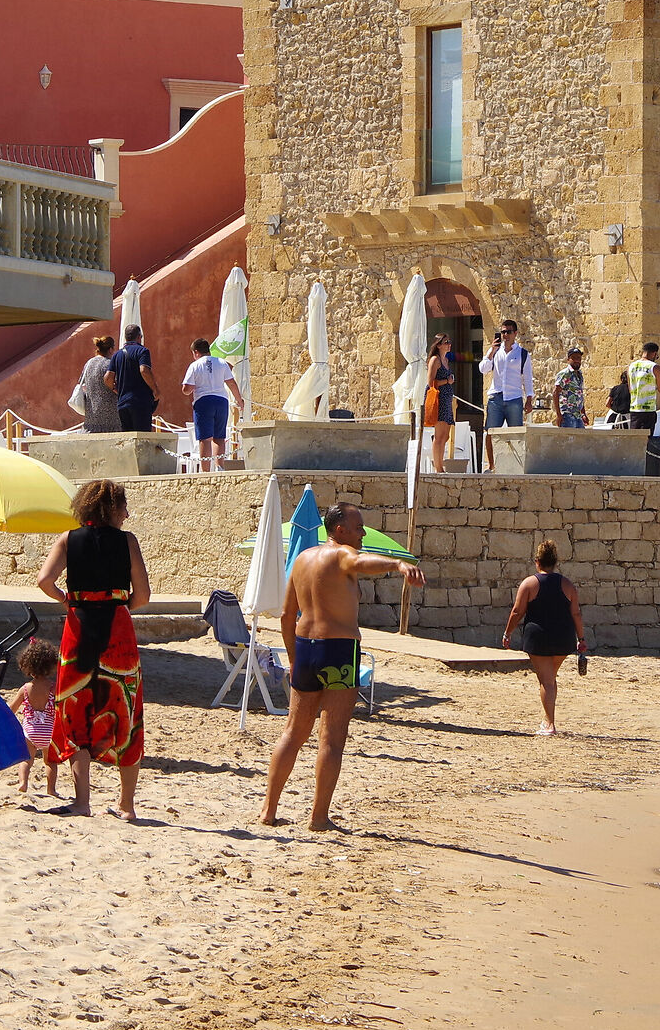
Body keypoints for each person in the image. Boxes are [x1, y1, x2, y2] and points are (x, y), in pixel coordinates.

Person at [260, 501, 425, 831]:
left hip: (305, 649)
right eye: (358, 526)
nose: (362, 533)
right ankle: (319, 818)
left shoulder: (302, 559)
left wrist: (292, 658)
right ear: (340, 530)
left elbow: (286, 615)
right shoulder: (342, 555)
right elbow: (360, 562)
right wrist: (398, 564)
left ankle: (268, 810)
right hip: (338, 651)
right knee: (332, 740)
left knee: (293, 733)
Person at [34, 479, 151, 819]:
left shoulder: (68, 539)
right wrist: (119, 604)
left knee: (76, 711)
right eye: (123, 507)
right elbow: (143, 596)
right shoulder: (127, 542)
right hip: (117, 629)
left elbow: (44, 580)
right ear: (110, 509)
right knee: (127, 711)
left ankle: (82, 802)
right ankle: (126, 805)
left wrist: (68, 599)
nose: (127, 514)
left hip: (79, 628)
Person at [501, 540, 587, 736]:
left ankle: (550, 724)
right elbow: (576, 613)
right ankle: (547, 720)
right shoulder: (567, 585)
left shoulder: (529, 584)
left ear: (537, 561)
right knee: (550, 678)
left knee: (546, 681)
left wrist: (507, 633)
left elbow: (517, 611)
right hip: (563, 638)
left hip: (539, 638)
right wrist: (581, 638)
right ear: (555, 562)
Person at [11, 637, 62, 799]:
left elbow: (11, 709)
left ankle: (23, 783)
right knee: (50, 762)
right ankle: (51, 789)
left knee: (26, 760)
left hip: (30, 731)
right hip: (49, 732)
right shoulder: (54, 688)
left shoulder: (25, 689)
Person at [480, 318, 534, 466]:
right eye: (503, 332)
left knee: (516, 434)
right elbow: (483, 369)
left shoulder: (522, 354)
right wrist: (491, 351)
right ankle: (491, 465)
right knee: (490, 432)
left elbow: (527, 378)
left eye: (509, 332)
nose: (505, 335)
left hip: (514, 398)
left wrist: (529, 399)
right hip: (496, 397)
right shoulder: (495, 351)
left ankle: (515, 466)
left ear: (515, 333)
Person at [182, 337, 242, 470]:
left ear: (196, 352)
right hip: (221, 401)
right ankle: (220, 467)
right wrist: (239, 400)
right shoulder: (221, 362)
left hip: (203, 401)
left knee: (205, 438)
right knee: (219, 436)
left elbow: (186, 389)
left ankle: (205, 471)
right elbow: (231, 383)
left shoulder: (194, 365)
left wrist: (192, 387)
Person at [108, 327, 157, 435]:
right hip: (140, 402)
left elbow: (107, 378)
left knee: (127, 438)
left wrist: (116, 389)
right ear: (139, 337)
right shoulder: (142, 351)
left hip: (122, 403)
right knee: (142, 437)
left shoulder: (117, 355)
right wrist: (155, 389)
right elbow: (144, 370)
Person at [426, 333, 457, 470]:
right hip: (438, 399)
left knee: (445, 436)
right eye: (445, 342)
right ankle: (438, 468)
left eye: (449, 341)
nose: (449, 344)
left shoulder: (446, 360)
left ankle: (440, 465)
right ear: (438, 345)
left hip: (446, 399)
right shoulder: (435, 360)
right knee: (439, 436)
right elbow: (430, 382)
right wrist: (447, 381)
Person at [76, 335, 117, 433]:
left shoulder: (89, 363)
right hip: (111, 419)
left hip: (91, 418)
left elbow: (83, 385)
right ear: (110, 350)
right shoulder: (110, 364)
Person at [626, 342, 660, 437]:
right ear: (654, 353)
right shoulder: (654, 367)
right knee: (647, 439)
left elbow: (630, 389)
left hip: (635, 408)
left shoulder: (631, 366)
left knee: (635, 438)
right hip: (648, 409)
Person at [552, 346, 589, 429]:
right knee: (568, 437)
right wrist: (558, 415)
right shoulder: (565, 374)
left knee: (582, 437)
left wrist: (583, 413)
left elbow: (579, 395)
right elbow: (555, 393)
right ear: (568, 359)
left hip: (578, 416)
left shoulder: (579, 375)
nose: (577, 360)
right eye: (574, 358)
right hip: (567, 415)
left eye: (579, 358)